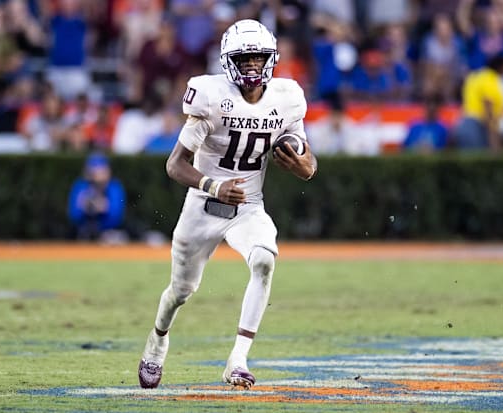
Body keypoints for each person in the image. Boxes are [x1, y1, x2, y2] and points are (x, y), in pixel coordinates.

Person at [138, 19, 318, 390]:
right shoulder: (211, 96)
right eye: (244, 58)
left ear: (271, 58)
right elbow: (175, 164)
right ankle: (157, 340)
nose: (252, 65)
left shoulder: (286, 98)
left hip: (249, 208)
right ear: (228, 61)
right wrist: (213, 186)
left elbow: (308, 162)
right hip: (203, 206)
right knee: (180, 292)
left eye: (258, 57)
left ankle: (238, 360)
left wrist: (305, 166)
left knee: (265, 259)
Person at [67, 153, 126, 241]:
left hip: (109, 233)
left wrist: (105, 207)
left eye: (102, 170)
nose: (98, 174)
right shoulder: (81, 186)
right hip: (84, 232)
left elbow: (117, 216)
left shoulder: (114, 186)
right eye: (94, 170)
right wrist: (84, 207)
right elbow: (74, 214)